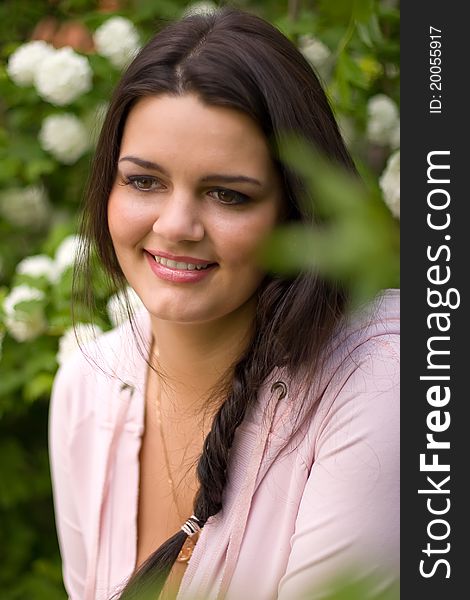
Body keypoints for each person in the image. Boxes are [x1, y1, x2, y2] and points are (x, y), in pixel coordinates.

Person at [49, 7, 399, 600]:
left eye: (227, 195)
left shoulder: (384, 382)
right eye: (143, 181)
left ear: (297, 210)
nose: (177, 225)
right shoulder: (89, 386)